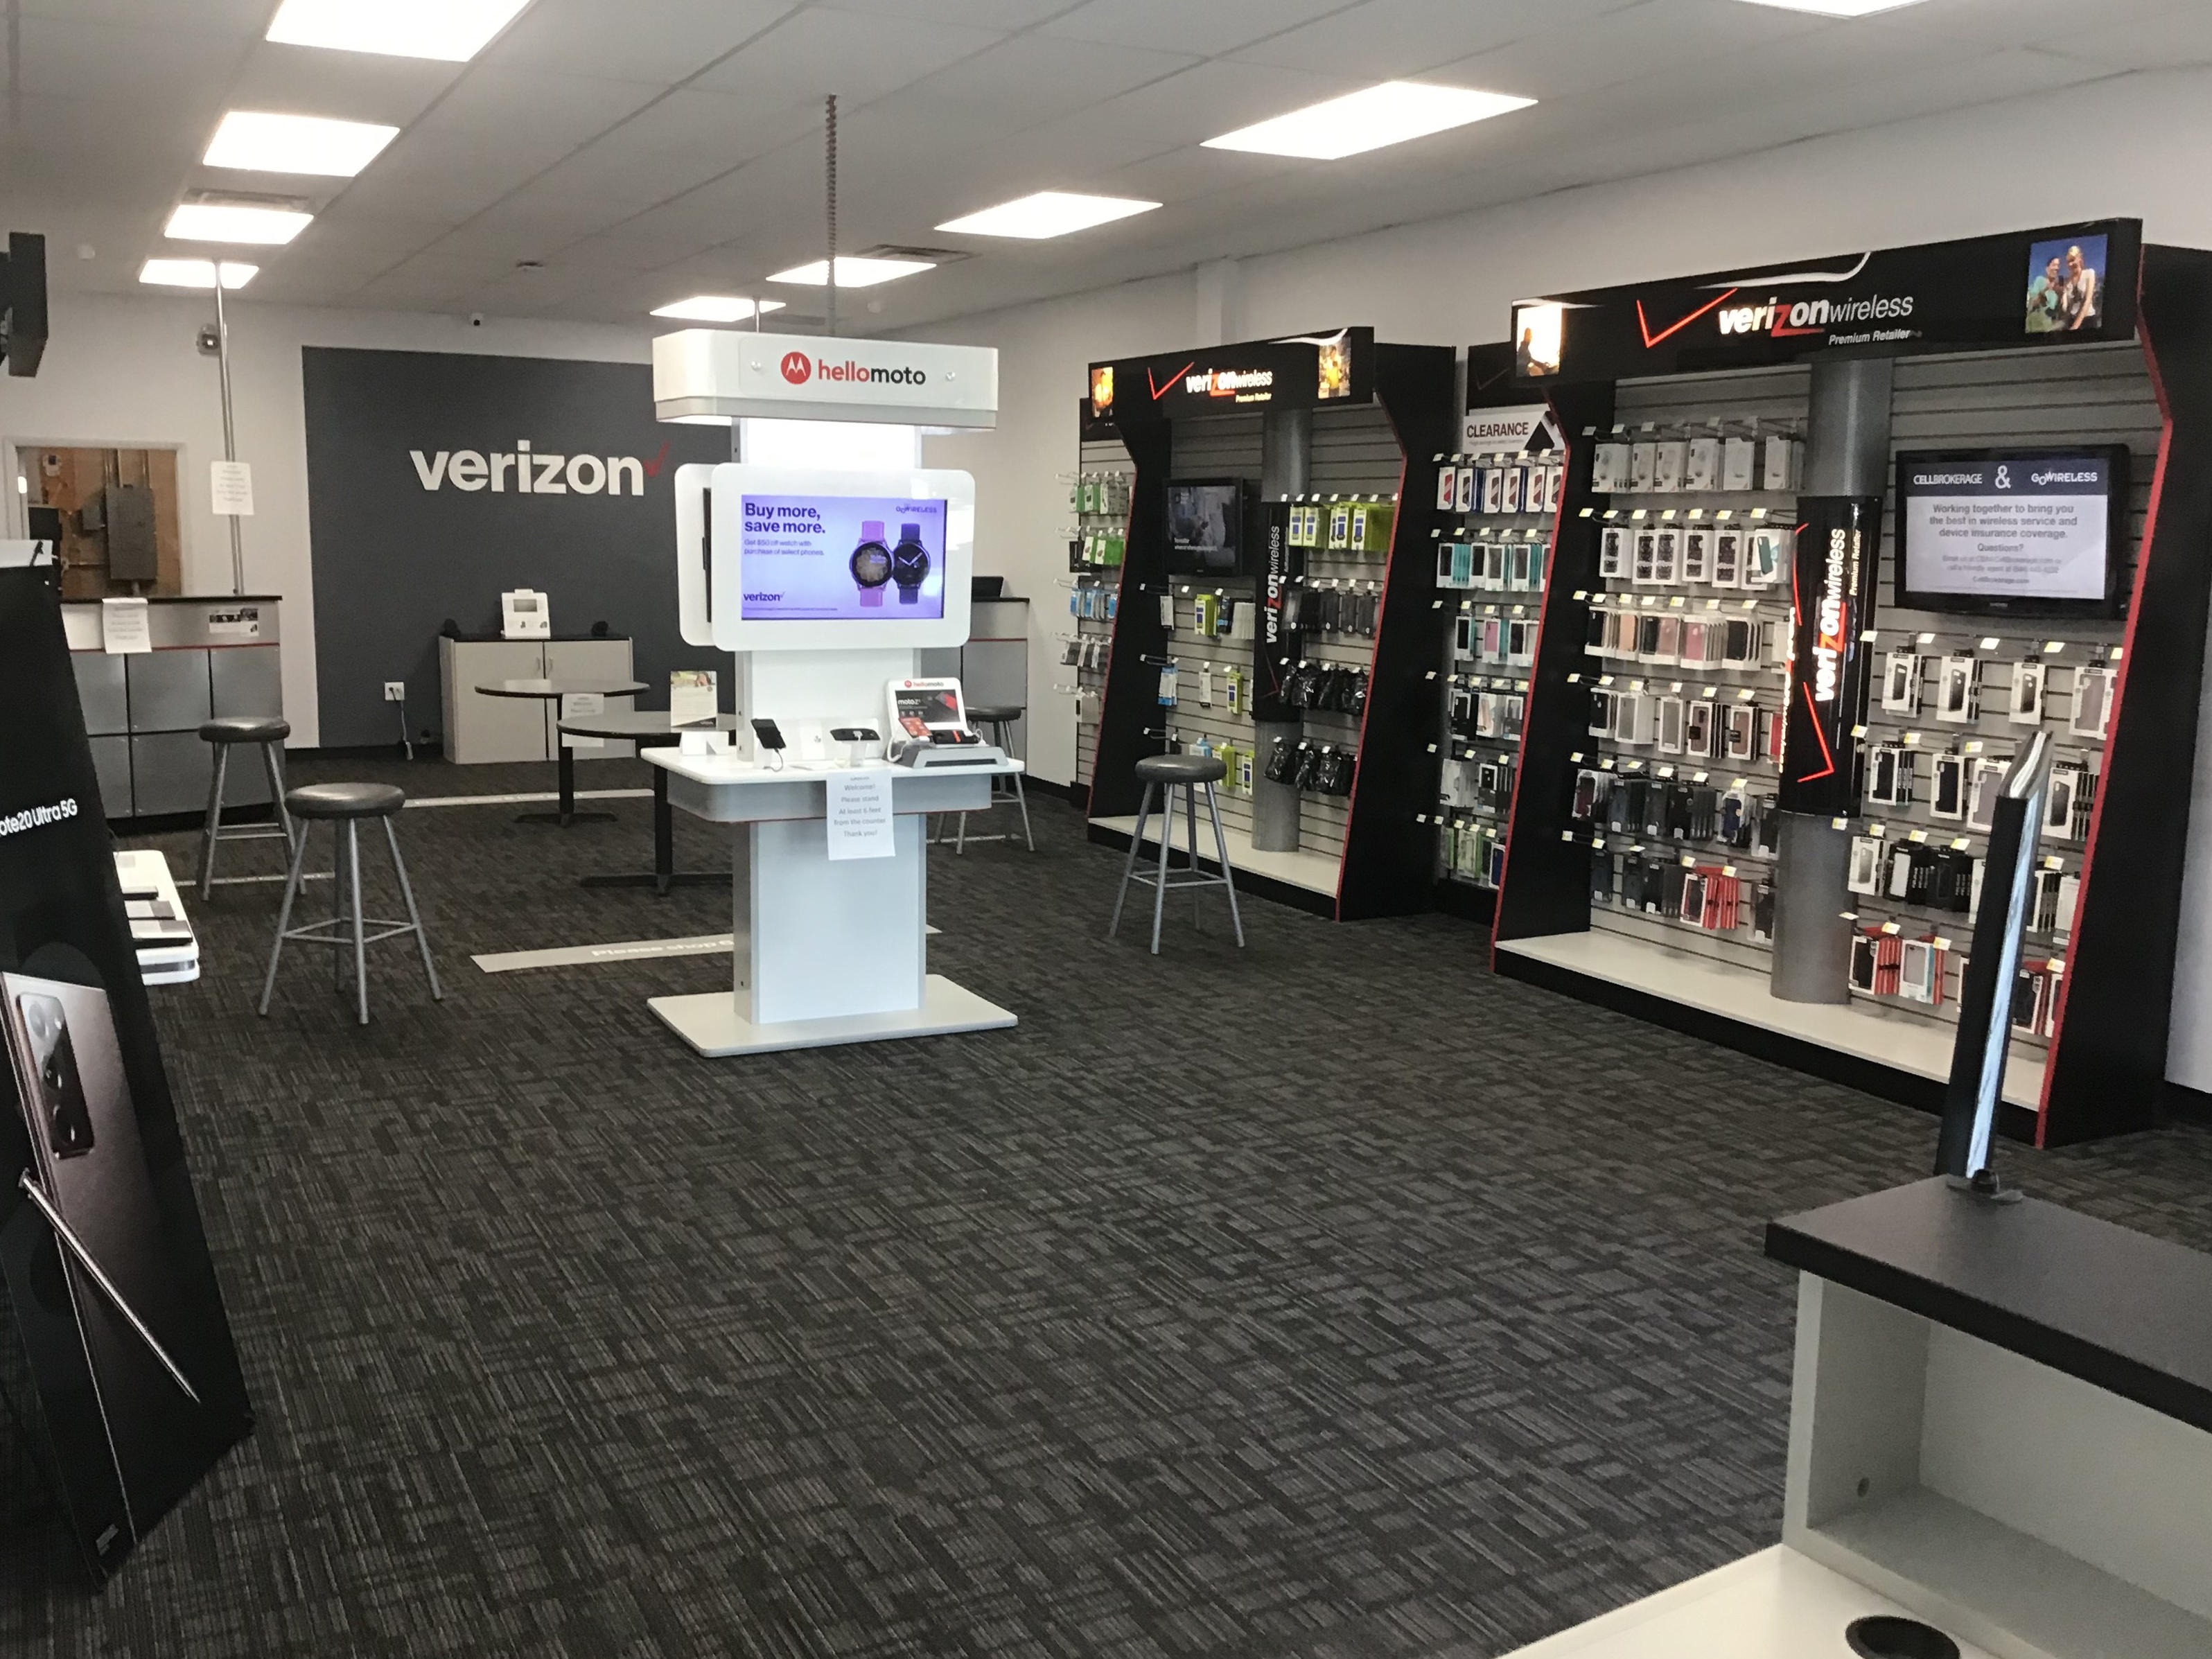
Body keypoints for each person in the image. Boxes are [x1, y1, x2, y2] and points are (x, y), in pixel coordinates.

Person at [2060, 244, 2100, 331]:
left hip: (2088, 320)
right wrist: (2062, 297)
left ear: (2079, 258)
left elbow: (2088, 300)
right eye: (2068, 262)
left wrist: (2076, 326)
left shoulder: (2089, 273)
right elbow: (2066, 308)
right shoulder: (2067, 283)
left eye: (2073, 260)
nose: (2071, 264)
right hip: (2071, 320)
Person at [2026, 255, 2063, 333]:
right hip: (2035, 327)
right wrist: (2045, 289)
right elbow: (2033, 303)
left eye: (2058, 266)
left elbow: (2055, 313)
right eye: (2054, 265)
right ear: (2047, 269)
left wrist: (2061, 295)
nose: (2057, 268)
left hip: (2048, 328)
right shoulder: (2040, 280)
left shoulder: (2057, 290)